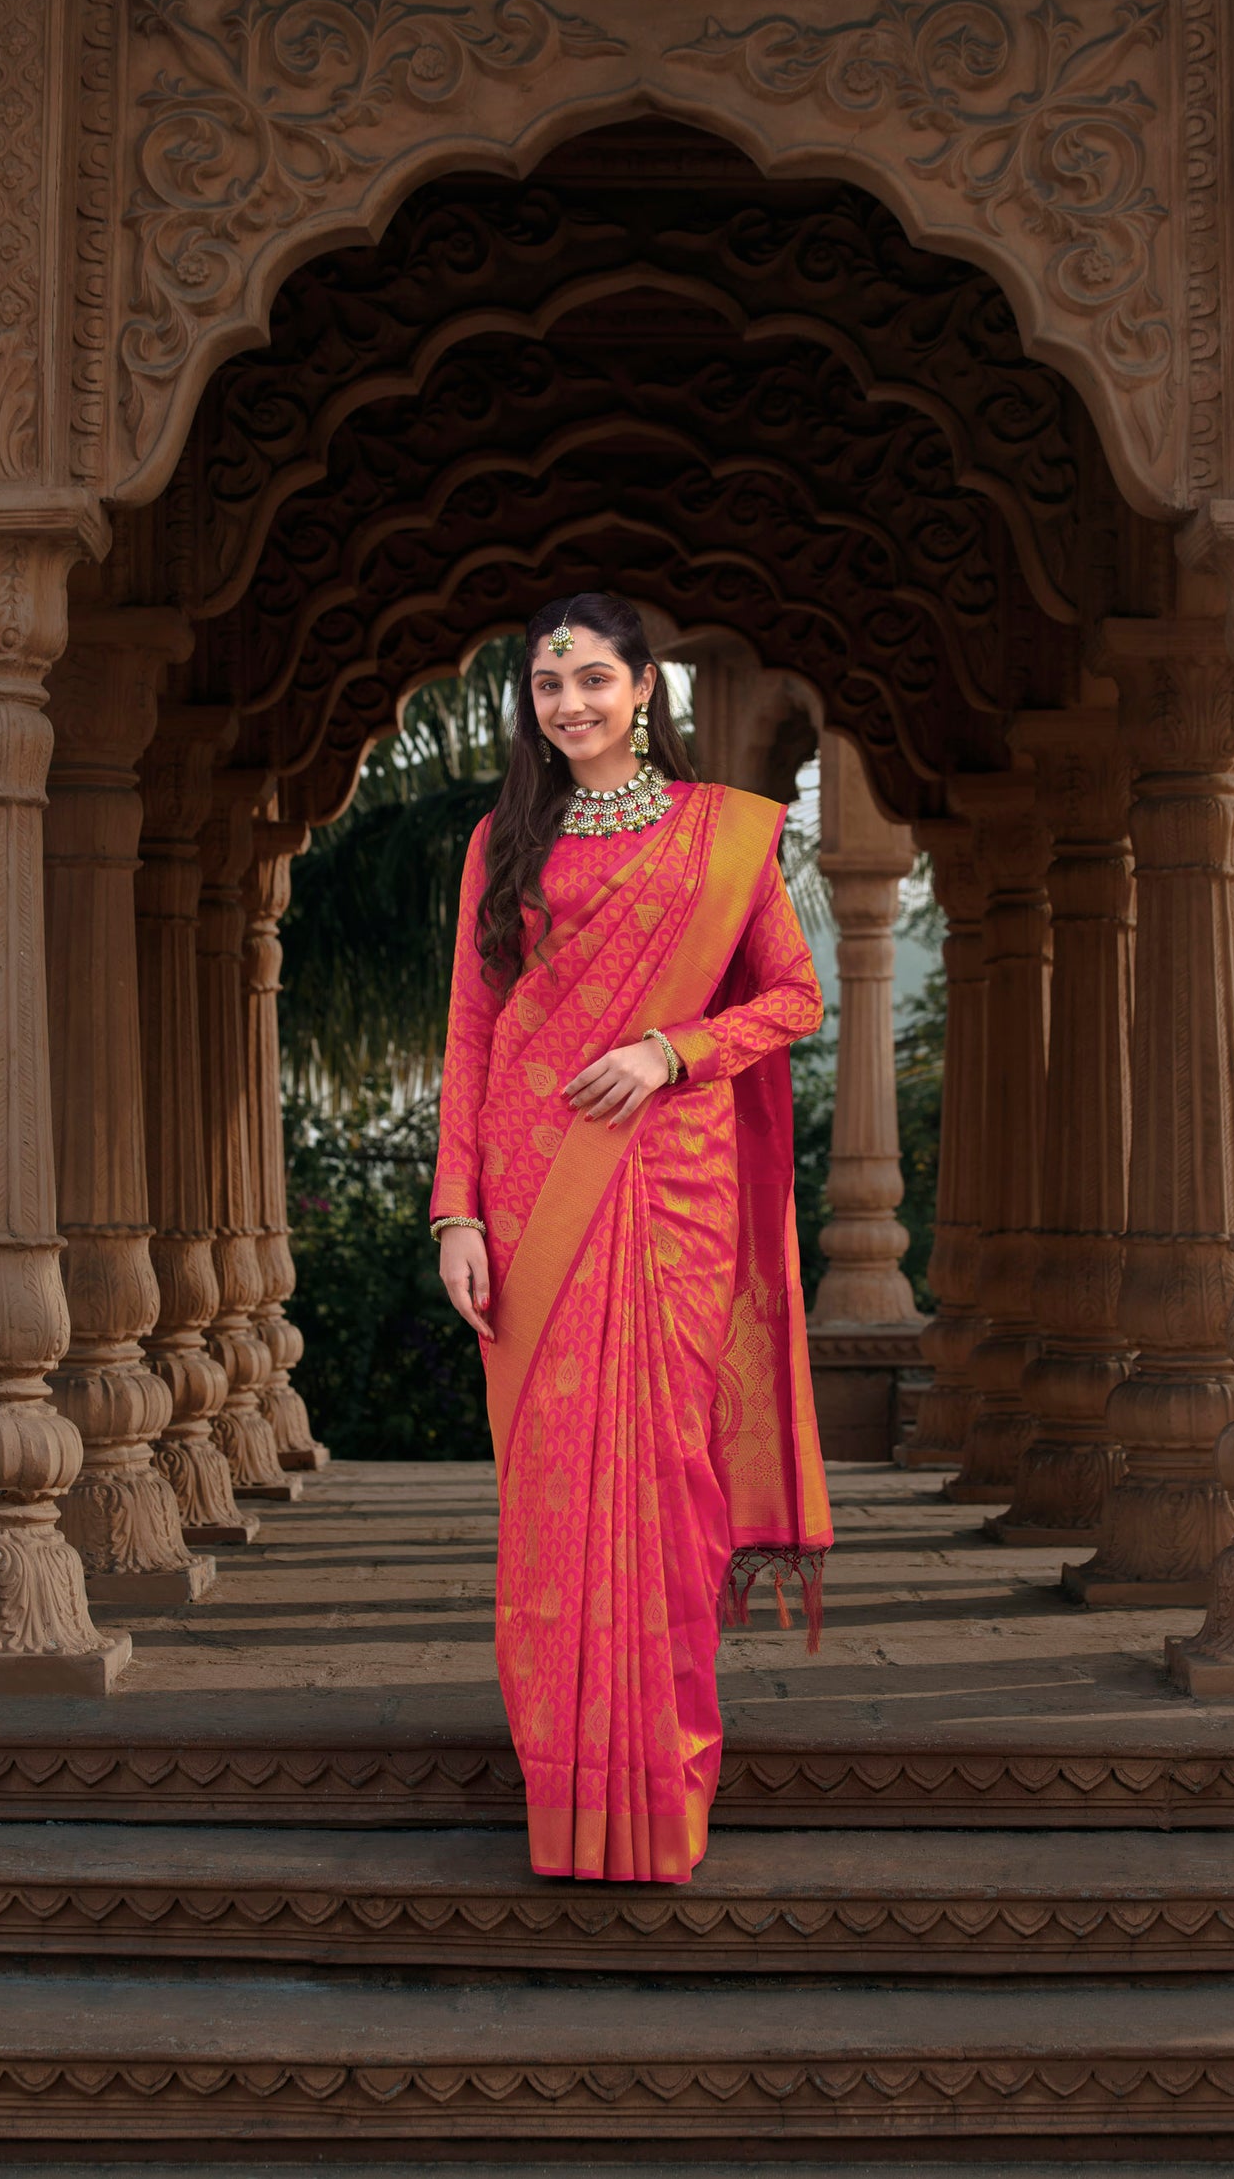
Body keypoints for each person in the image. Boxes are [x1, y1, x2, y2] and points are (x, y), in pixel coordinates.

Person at [431, 592, 831, 1884]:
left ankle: (657, 1792)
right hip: (532, 1197)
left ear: (646, 687)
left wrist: (673, 1049)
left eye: (595, 679)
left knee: (665, 1483)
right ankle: (570, 1798)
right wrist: (454, 1213)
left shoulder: (721, 838)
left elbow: (795, 997)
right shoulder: (503, 840)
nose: (572, 706)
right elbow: (472, 1037)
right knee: (549, 1503)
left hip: (669, 1193)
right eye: (551, 687)